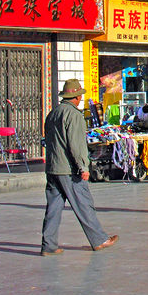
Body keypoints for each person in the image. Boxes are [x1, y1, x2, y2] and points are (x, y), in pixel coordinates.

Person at [41, 79, 117, 256]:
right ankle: (99, 239)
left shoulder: (53, 113)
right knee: (83, 204)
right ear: (75, 97)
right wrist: (83, 166)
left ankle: (48, 245)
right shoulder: (73, 115)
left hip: (53, 167)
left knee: (53, 208)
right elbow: (76, 144)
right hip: (69, 169)